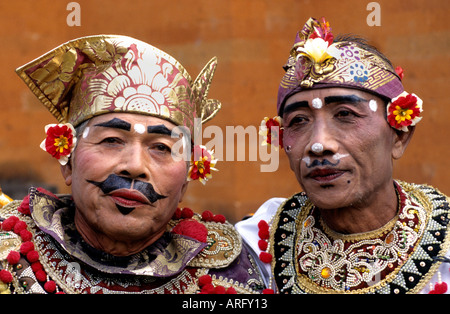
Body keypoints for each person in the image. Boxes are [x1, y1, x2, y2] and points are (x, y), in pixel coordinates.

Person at [0, 35, 265, 294]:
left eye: (162, 147)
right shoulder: (10, 258)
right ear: (67, 162)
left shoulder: (230, 277)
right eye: (112, 140)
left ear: (185, 180)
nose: (135, 166)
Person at [236, 17, 450, 294]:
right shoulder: (257, 243)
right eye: (299, 121)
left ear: (399, 135)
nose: (319, 144)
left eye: (345, 115)